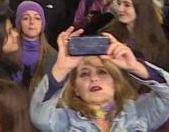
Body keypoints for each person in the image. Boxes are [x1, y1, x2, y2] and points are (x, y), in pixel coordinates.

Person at [30, 26, 169, 132]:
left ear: (115, 81)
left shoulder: (138, 112)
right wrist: (60, 68)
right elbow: (38, 116)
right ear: (75, 88)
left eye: (102, 72)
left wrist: (135, 67)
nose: (94, 79)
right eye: (84, 74)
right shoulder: (65, 119)